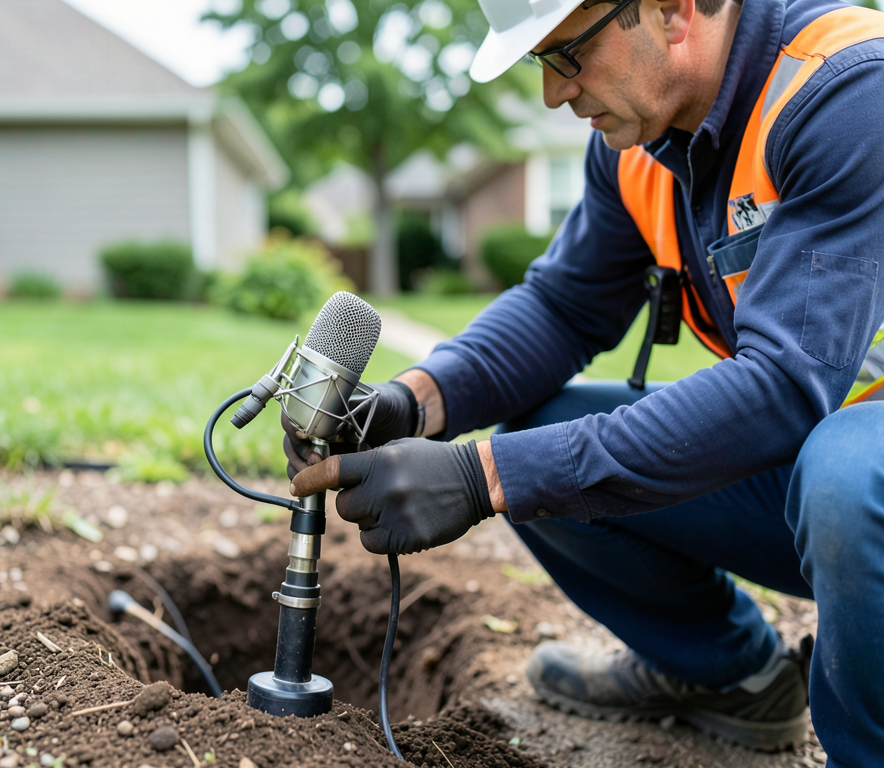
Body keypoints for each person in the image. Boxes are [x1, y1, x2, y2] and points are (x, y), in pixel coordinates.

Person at [284, 0, 884, 763]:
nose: (553, 94)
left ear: (672, 10)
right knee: (538, 438)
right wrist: (414, 403)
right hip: (819, 471)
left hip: (857, 477)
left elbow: (783, 390)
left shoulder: (849, 89)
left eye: (566, 54)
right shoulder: (646, 143)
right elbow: (564, 308)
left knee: (844, 474)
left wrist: (483, 478)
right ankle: (732, 680)